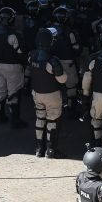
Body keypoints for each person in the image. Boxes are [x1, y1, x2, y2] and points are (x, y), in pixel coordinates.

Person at [28, 28, 68, 158]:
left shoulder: (31, 55)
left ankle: (39, 149)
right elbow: (62, 79)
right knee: (53, 121)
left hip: (37, 93)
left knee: (40, 118)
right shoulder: (52, 60)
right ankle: (51, 150)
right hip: (52, 94)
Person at [0, 6, 27, 127]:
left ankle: (0, 114)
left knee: (0, 89)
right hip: (12, 67)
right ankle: (15, 120)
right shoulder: (13, 35)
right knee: (14, 92)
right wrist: (24, 64)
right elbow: (21, 53)